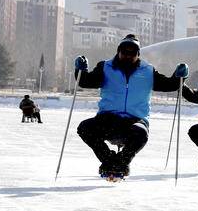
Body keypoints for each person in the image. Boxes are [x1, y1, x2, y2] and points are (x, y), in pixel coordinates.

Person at [74, 34, 188, 178]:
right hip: (108, 118)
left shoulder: (148, 71)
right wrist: (80, 70)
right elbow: (86, 82)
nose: (128, 56)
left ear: (138, 54)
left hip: (135, 119)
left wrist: (179, 76)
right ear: (118, 51)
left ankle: (121, 163)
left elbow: (169, 84)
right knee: (85, 128)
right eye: (124, 52)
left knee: (141, 134)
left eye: (132, 53)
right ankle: (109, 160)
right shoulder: (105, 67)